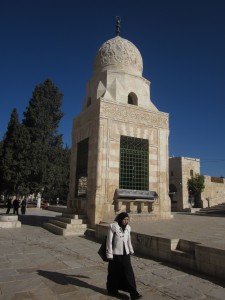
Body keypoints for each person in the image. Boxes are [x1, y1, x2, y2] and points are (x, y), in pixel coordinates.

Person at [106, 212, 142, 300]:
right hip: (115, 254)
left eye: (127, 220)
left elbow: (128, 240)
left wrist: (131, 250)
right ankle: (112, 290)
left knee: (129, 273)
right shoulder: (113, 227)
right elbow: (109, 241)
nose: (126, 221)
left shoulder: (128, 228)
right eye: (124, 219)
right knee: (113, 273)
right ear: (120, 219)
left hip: (125, 254)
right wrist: (109, 254)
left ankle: (134, 294)